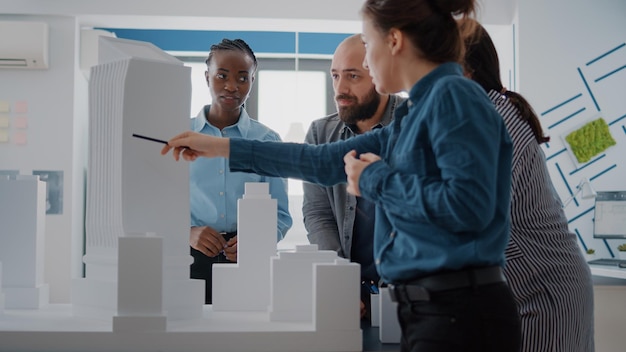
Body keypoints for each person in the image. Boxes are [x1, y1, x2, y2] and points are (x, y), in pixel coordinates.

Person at [162, 0, 521, 350]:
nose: (366, 58)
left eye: (367, 44)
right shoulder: (415, 113)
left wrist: (374, 180)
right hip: (428, 310)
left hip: (459, 314)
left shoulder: (454, 97)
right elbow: (320, 162)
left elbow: (468, 206)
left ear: (394, 41)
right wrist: (220, 147)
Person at [461, 19, 595, 352]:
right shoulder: (481, 113)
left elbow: (477, 216)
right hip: (528, 287)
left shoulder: (492, 120)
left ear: (465, 71)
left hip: (544, 290)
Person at [302, 34, 405, 321]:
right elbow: (318, 213)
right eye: (335, 76)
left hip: (408, 291)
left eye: (353, 76)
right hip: (347, 295)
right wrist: (340, 281)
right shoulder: (320, 134)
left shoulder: (415, 124)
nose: (340, 89)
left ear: (380, 76)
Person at [189, 38, 292, 304]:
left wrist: (258, 240)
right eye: (222, 75)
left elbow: (280, 214)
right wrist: (185, 232)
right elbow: (157, 204)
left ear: (252, 82)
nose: (232, 86)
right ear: (207, 77)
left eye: (243, 78)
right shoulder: (180, 135)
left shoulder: (267, 141)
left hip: (249, 259)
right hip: (188, 256)